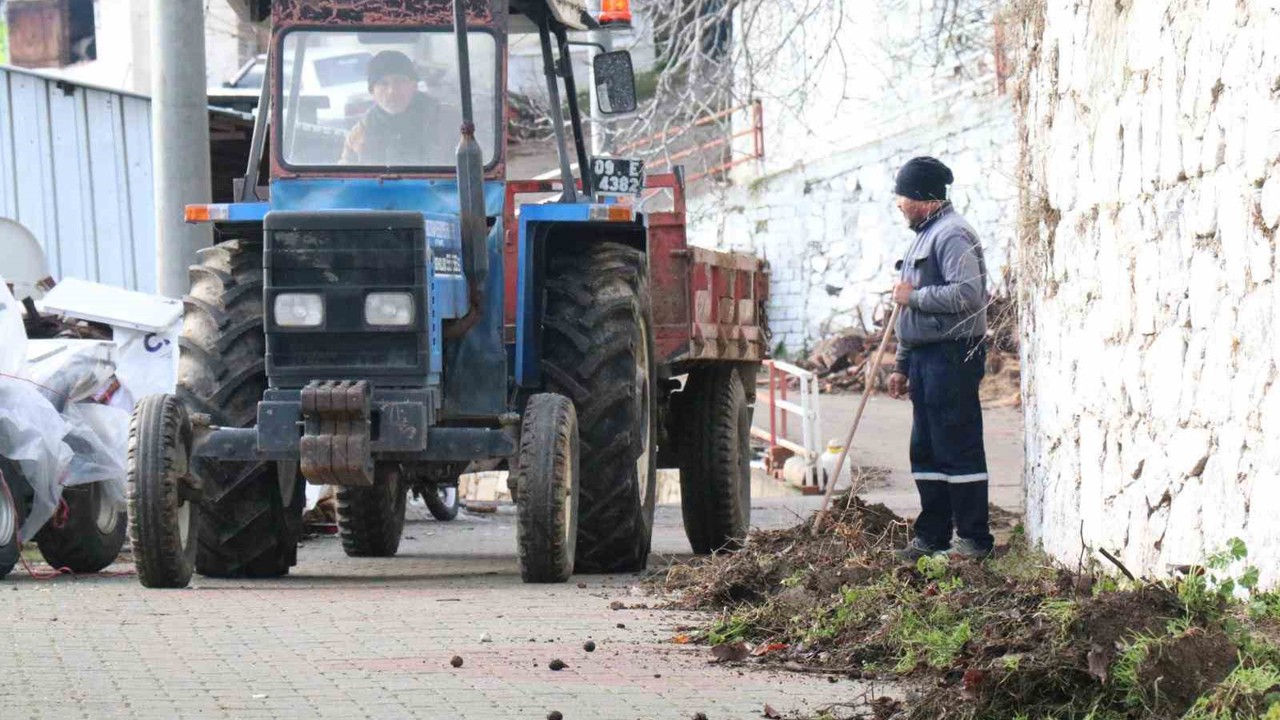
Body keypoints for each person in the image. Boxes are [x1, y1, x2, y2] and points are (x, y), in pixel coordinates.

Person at [886, 156, 994, 561]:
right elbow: (910, 315)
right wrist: (901, 364)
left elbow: (968, 296)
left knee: (957, 446)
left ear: (924, 198)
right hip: (925, 358)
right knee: (926, 449)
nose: (898, 203)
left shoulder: (952, 235)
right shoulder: (923, 234)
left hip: (952, 355)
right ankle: (932, 537)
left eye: (904, 195)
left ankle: (973, 541)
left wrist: (912, 296)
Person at [340, 50, 437, 165]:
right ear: (372, 91)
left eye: (399, 81)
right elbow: (346, 178)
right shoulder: (359, 134)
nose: (392, 91)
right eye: (383, 83)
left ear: (414, 85)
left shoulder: (448, 121)